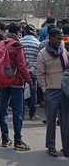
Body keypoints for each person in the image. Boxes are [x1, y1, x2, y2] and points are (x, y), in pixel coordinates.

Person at [0, 22, 32, 151]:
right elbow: (22, 66)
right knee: (18, 111)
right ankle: (18, 141)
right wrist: (29, 80)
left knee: (4, 109)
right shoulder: (17, 45)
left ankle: (5, 138)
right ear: (18, 32)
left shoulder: (3, 43)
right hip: (16, 81)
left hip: (3, 79)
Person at [37, 28, 69, 157]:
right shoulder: (42, 54)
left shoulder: (64, 51)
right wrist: (45, 90)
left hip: (65, 91)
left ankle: (66, 148)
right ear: (50, 38)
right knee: (51, 121)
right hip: (51, 92)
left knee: (66, 121)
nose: (60, 40)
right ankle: (51, 146)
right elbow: (40, 74)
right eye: (58, 38)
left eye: (61, 38)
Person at [21, 24, 41, 120]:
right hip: (33, 72)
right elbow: (39, 59)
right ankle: (32, 114)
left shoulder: (20, 42)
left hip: (22, 71)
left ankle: (21, 112)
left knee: (21, 92)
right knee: (33, 93)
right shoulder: (38, 43)